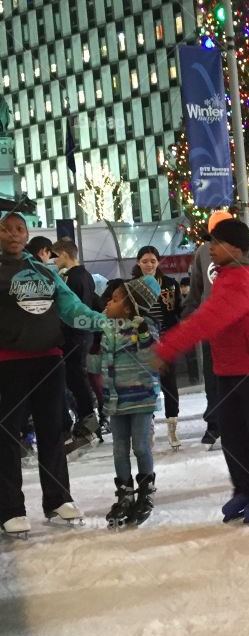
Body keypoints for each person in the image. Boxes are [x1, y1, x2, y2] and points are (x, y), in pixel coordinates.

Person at [154, 217, 249, 525]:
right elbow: (203, 311)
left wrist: (167, 347)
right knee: (233, 434)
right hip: (226, 366)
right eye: (210, 241)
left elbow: (209, 318)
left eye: (217, 242)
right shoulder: (225, 276)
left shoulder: (242, 278)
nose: (210, 248)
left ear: (237, 248)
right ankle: (245, 488)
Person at [0, 212, 106, 536]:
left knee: (53, 431)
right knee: (7, 436)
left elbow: (72, 307)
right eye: (6, 229)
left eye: (20, 229)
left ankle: (58, 499)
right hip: (8, 363)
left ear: (28, 233)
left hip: (49, 360)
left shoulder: (45, 271)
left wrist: (105, 324)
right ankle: (10, 509)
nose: (14, 234)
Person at [183, 211, 249, 447]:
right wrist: (188, 314)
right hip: (212, 327)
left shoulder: (245, 252)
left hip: (240, 327)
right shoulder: (202, 254)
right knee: (213, 379)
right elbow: (196, 288)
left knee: (241, 380)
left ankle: (243, 424)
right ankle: (214, 423)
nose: (214, 243)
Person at [95, 276, 161, 528]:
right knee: (119, 448)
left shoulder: (145, 327)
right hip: (115, 399)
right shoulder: (109, 329)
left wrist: (143, 333)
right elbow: (104, 361)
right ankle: (125, 494)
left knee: (141, 446)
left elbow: (153, 355)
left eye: (113, 300)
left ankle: (146, 491)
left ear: (129, 306)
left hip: (141, 398)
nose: (107, 305)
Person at [133, 245, 184, 451]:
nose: (149, 264)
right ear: (138, 263)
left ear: (158, 262)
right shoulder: (132, 286)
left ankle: (172, 427)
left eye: (153, 261)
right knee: (146, 387)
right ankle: (149, 428)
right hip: (142, 343)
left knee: (169, 385)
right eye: (145, 261)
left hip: (167, 341)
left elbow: (178, 310)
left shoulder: (170, 284)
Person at [52, 236, 100, 449]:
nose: (53, 262)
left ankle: (88, 420)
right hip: (82, 333)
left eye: (55, 257)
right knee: (76, 377)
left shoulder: (72, 278)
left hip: (75, 335)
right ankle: (88, 420)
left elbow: (73, 308)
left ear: (63, 254)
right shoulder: (86, 276)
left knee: (75, 377)